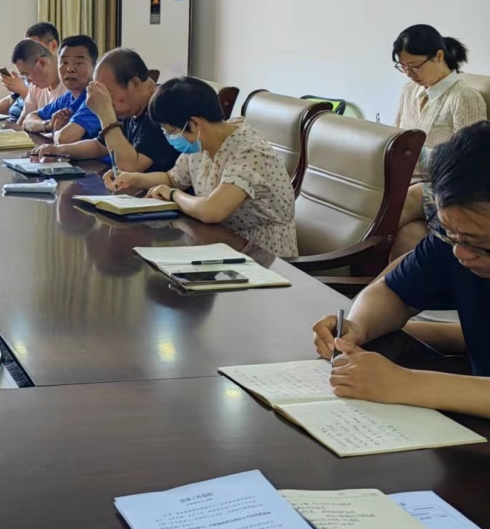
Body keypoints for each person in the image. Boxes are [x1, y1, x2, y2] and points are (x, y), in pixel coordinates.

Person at [312, 122, 490, 417]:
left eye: (478, 243)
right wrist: (357, 327)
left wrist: (407, 384)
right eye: (451, 235)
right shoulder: (456, 240)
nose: (460, 252)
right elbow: (392, 291)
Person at [107, 77, 298, 256]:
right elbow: (172, 179)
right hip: (218, 244)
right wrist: (134, 178)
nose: (170, 137)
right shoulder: (202, 142)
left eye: (171, 131)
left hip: (262, 256)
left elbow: (212, 211)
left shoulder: (249, 152)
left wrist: (173, 195)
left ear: (195, 123)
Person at [389, 26, 486, 260]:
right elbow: (395, 135)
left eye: (415, 66)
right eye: (403, 67)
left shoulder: (463, 97)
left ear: (439, 56)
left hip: (446, 189)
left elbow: (473, 162)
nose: (409, 74)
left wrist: (418, 157)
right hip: (406, 182)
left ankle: (351, 253)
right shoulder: (409, 91)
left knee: (404, 199)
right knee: (409, 236)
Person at [31, 48, 180, 173]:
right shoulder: (131, 106)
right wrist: (59, 151)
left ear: (134, 84)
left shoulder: (161, 106)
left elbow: (131, 167)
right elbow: (100, 146)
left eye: (109, 94)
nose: (108, 102)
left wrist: (106, 113)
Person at [36, 35, 102, 145]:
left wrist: (56, 130)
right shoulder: (68, 97)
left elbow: (64, 138)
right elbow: (29, 119)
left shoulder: (96, 98)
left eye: (79, 63)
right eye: (64, 62)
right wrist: (48, 125)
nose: (70, 69)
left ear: (94, 66)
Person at [0, 22, 60, 119]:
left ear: (53, 46)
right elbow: (12, 101)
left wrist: (22, 90)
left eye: (34, 46)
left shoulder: (64, 84)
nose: (29, 50)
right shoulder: (33, 79)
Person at [8, 39, 66, 133]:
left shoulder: (71, 86)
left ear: (41, 62)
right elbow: (23, 122)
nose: (27, 81)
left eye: (26, 74)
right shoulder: (35, 87)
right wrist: (46, 125)